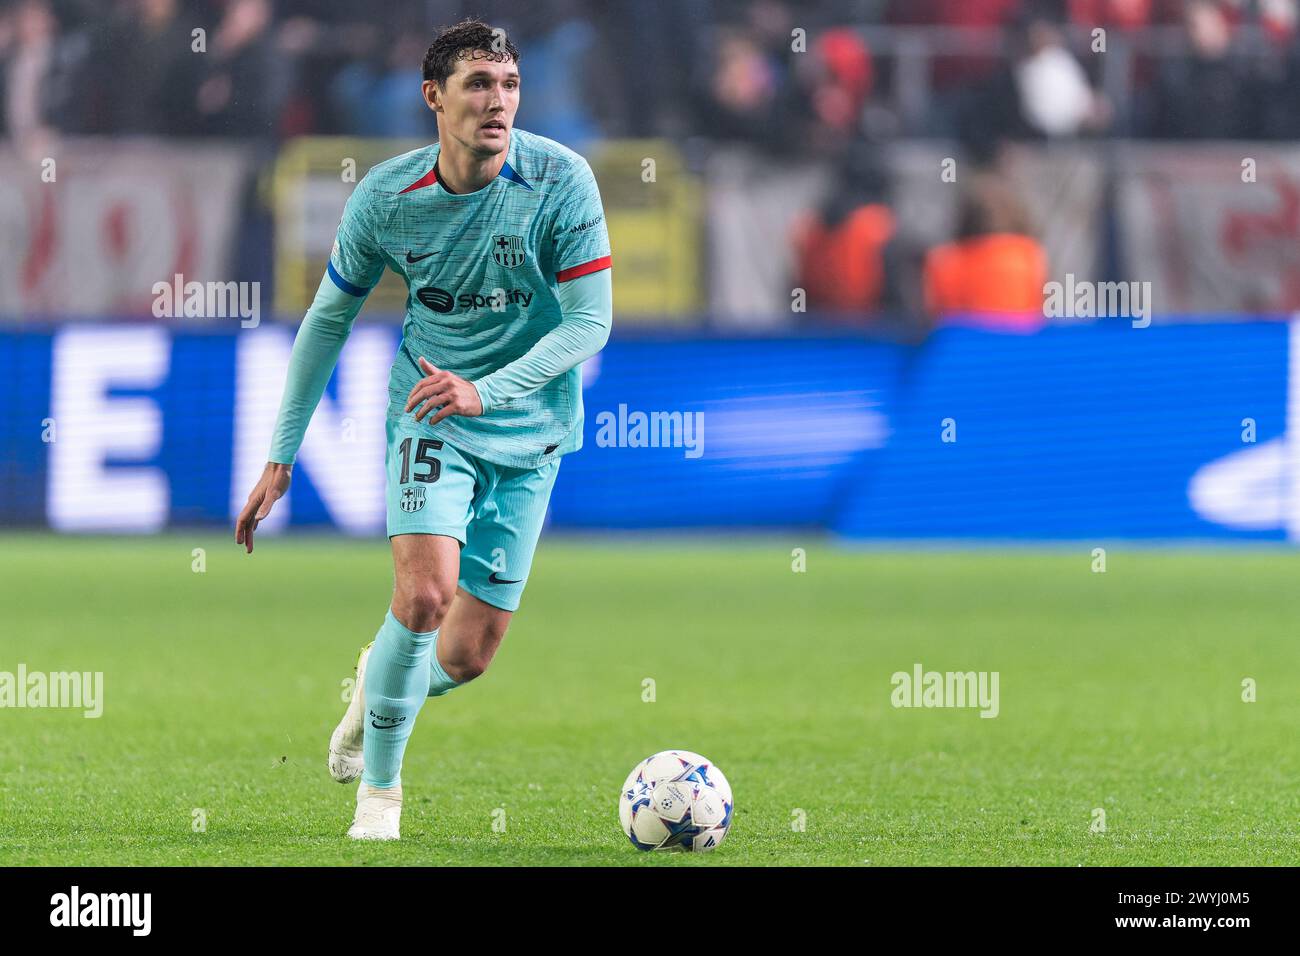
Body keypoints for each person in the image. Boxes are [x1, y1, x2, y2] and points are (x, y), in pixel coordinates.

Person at [233, 17, 613, 840]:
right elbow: (327, 322)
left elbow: (590, 325)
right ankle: (381, 797)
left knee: (470, 654)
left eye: (509, 85)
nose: (498, 102)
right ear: (433, 98)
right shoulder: (387, 198)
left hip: (530, 427)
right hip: (431, 413)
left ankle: (377, 683)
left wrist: (491, 389)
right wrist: (280, 453)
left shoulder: (563, 181)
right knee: (425, 596)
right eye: (479, 85)